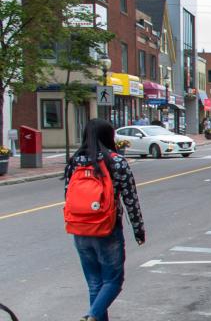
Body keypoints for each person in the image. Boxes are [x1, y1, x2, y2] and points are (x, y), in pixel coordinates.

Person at [63, 119, 146, 321]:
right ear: (109, 136)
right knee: (113, 281)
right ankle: (91, 316)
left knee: (95, 284)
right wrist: (138, 229)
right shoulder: (116, 162)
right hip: (107, 229)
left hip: (80, 229)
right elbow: (130, 199)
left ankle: (94, 316)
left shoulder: (74, 162)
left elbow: (68, 196)